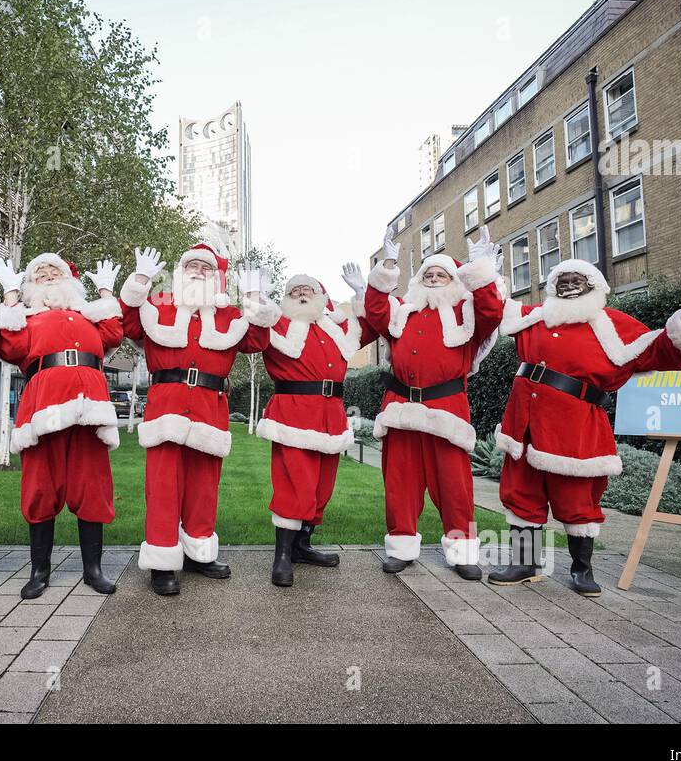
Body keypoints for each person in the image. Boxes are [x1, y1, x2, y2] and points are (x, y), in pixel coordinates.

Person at [490, 259, 681, 595]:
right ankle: (525, 564)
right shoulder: (535, 317)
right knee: (522, 493)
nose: (569, 283)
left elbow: (658, 351)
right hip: (524, 424)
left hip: (575, 429)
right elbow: (493, 309)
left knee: (577, 498)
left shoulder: (613, 323)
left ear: (595, 285)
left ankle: (582, 570)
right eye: (562, 278)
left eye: (578, 278)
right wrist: (484, 270)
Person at [119, 243, 278, 595]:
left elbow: (257, 339)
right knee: (163, 487)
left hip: (209, 407)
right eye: (191, 265)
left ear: (216, 277)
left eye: (205, 268)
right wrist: (140, 279)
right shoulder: (159, 303)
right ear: (179, 272)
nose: (198, 271)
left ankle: (198, 551)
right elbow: (127, 322)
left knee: (204, 487)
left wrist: (254, 296)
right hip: (167, 405)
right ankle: (162, 562)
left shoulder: (228, 314)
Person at [363, 227, 504, 580]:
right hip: (402, 410)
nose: (434, 278)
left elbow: (492, 311)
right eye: (428, 273)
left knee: (454, 485)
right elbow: (375, 308)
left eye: (442, 273)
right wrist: (388, 264)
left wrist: (480, 268)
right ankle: (401, 546)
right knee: (400, 483)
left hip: (446, 411)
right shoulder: (403, 312)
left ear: (454, 280)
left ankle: (462, 551)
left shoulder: (466, 312)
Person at [0, 252, 124, 599]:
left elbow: (113, 334)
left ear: (69, 279)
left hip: (89, 405)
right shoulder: (27, 317)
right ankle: (39, 571)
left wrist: (107, 292)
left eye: (55, 270)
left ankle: (93, 570)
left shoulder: (86, 315)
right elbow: (9, 347)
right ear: (30, 285)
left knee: (92, 484)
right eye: (40, 273)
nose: (48, 275)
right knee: (40, 484)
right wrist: (10, 297)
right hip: (44, 404)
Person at [252, 272, 376, 586]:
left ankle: (301, 546)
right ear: (286, 298)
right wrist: (256, 296)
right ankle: (281, 556)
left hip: (330, 414)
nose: (303, 293)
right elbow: (252, 335)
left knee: (322, 487)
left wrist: (363, 291)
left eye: (309, 289)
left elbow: (372, 326)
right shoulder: (277, 321)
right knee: (296, 485)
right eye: (296, 290)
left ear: (322, 297)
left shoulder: (336, 327)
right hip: (293, 414)